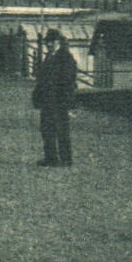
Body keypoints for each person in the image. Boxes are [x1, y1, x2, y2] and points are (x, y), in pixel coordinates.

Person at [31, 29, 80, 166]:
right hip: (47, 100)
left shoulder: (66, 58)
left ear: (58, 42)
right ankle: (50, 158)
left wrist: (69, 104)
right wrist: (37, 96)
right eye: (48, 42)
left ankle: (66, 159)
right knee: (47, 130)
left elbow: (69, 82)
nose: (49, 45)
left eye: (52, 42)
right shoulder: (49, 57)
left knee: (61, 130)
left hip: (60, 100)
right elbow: (42, 79)